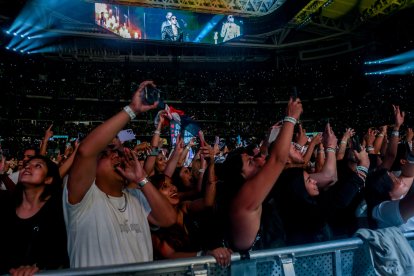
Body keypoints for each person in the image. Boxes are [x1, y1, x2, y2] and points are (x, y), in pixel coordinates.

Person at [64, 80, 176, 268]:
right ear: (94, 166)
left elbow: (169, 219)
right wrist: (133, 109)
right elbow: (86, 151)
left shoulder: (136, 196)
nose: (118, 155)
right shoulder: (82, 198)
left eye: (119, 152)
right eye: (108, 153)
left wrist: (142, 179)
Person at [219, 97, 302, 251]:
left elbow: (263, 159)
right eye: (250, 162)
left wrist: (268, 139)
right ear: (240, 177)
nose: (257, 160)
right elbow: (277, 160)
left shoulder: (242, 194)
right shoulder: (243, 200)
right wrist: (290, 118)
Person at [0, 155, 69, 275]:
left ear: (48, 179)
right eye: (26, 165)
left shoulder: (57, 210)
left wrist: (38, 267)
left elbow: (57, 252)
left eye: (37, 166)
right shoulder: (5, 205)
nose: (27, 167)